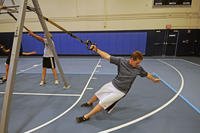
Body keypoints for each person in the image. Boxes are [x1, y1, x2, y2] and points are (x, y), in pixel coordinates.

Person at [76, 45, 160, 123]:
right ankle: (89, 103)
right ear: (131, 60)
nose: (139, 65)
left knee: (102, 103)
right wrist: (96, 49)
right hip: (113, 84)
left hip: (121, 91)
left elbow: (146, 74)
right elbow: (107, 56)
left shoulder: (139, 68)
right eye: (137, 63)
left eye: (139, 63)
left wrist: (153, 79)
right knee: (98, 93)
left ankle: (86, 117)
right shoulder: (121, 61)